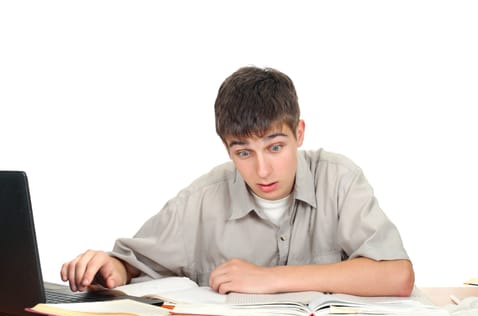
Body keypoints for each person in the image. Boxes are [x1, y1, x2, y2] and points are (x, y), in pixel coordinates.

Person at [61, 66, 414, 297]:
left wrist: (270, 279)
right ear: (227, 149)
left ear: (299, 133)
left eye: (275, 147)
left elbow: (398, 275)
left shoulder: (340, 179)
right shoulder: (202, 199)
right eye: (244, 152)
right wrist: (113, 268)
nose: (263, 170)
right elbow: (134, 262)